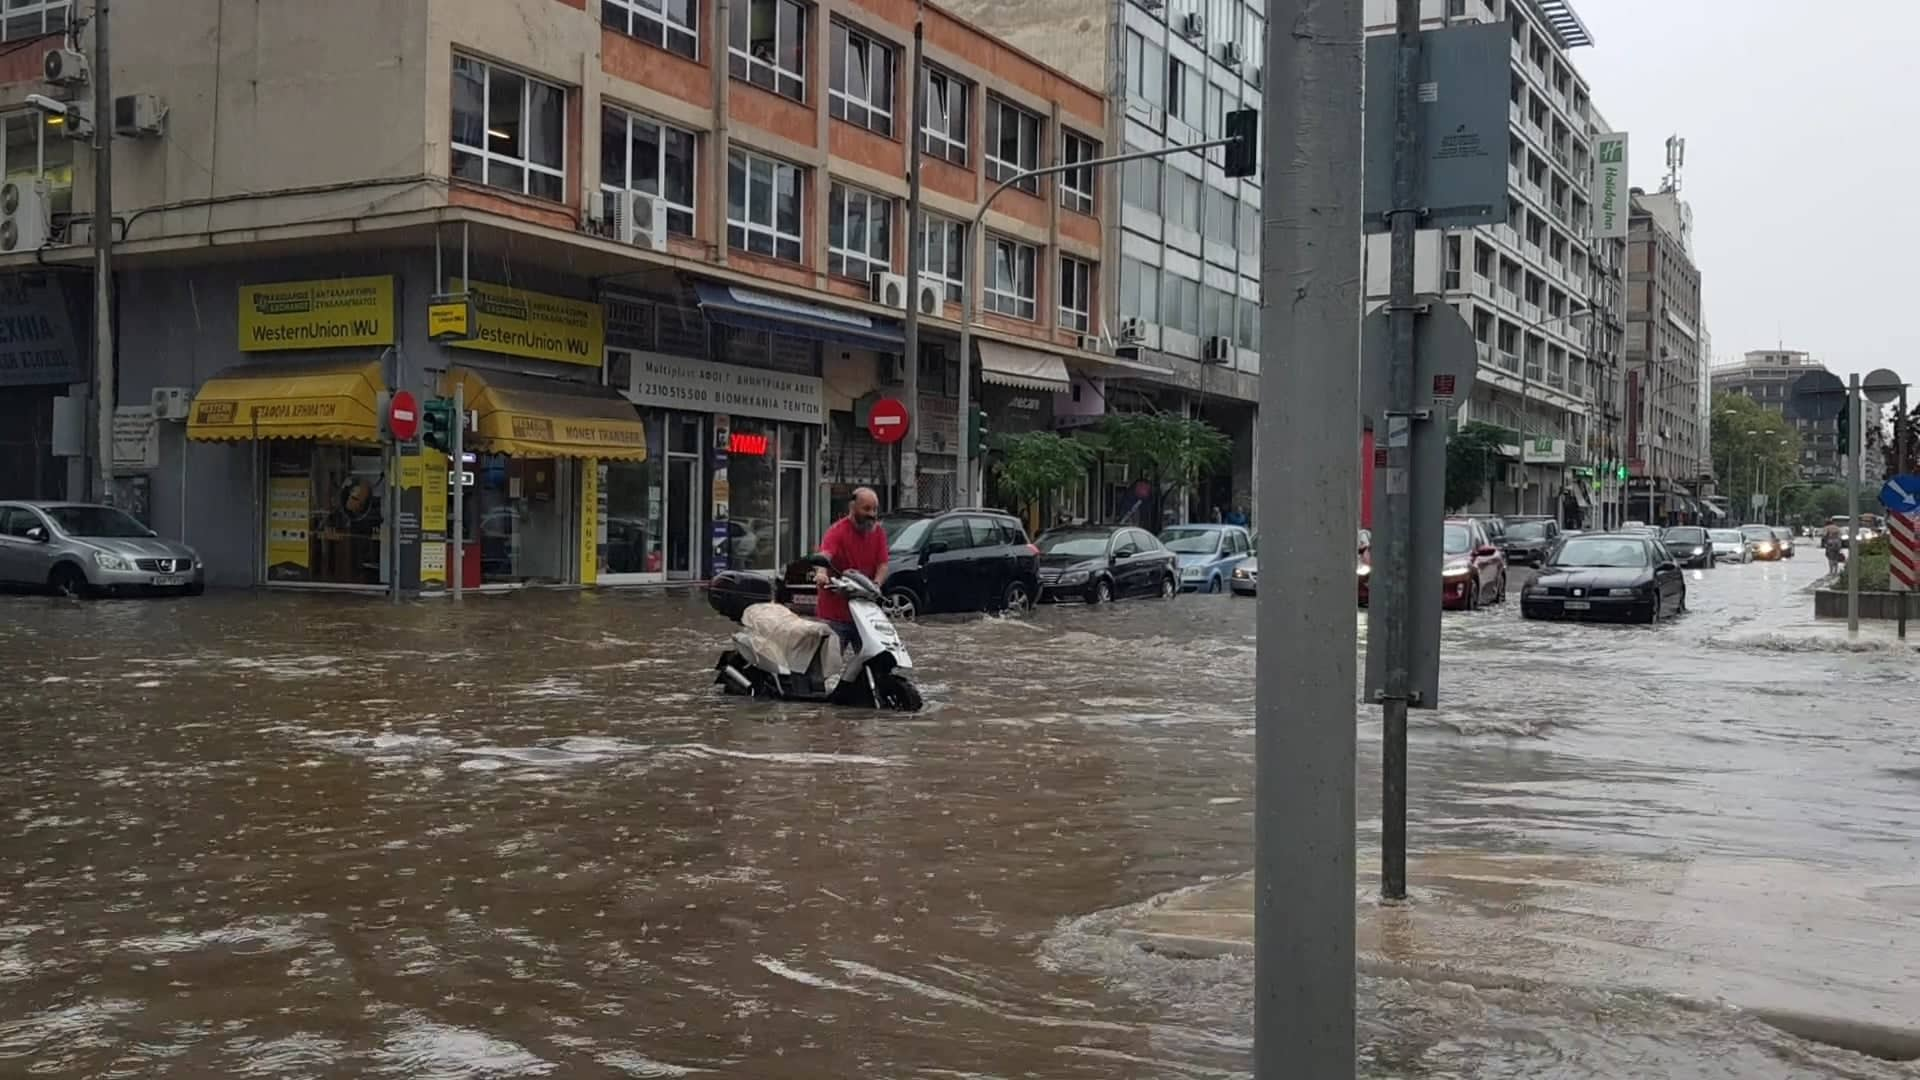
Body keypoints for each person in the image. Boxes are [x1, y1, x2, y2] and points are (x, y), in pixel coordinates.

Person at [813, 487, 889, 650]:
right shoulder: (836, 532)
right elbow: (825, 554)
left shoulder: (879, 533)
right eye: (866, 509)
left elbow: (883, 564)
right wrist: (821, 573)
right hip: (834, 613)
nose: (872, 514)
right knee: (827, 665)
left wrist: (876, 584)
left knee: (872, 661)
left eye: (875, 509)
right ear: (853, 508)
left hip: (865, 614)